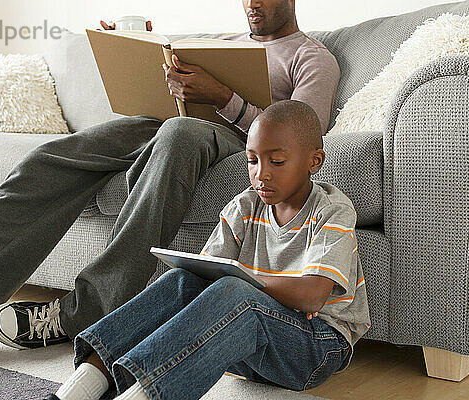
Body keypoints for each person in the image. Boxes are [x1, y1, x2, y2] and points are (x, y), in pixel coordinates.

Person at [0, 0, 341, 357]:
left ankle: (88, 311)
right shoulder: (222, 43)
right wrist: (142, 54)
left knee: (179, 133)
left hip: (229, 138)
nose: (252, 3)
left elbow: (303, 136)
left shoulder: (312, 57)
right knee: (49, 159)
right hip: (161, 123)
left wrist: (222, 98)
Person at [43, 100, 371, 400]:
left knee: (235, 290)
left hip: (315, 347)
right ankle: (81, 387)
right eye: (252, 161)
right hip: (240, 346)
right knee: (182, 280)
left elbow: (312, 296)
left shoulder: (332, 210)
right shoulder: (244, 205)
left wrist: (245, 282)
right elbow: (204, 274)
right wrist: (219, 280)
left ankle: (143, 393)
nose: (262, 174)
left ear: (314, 160)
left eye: (278, 161)